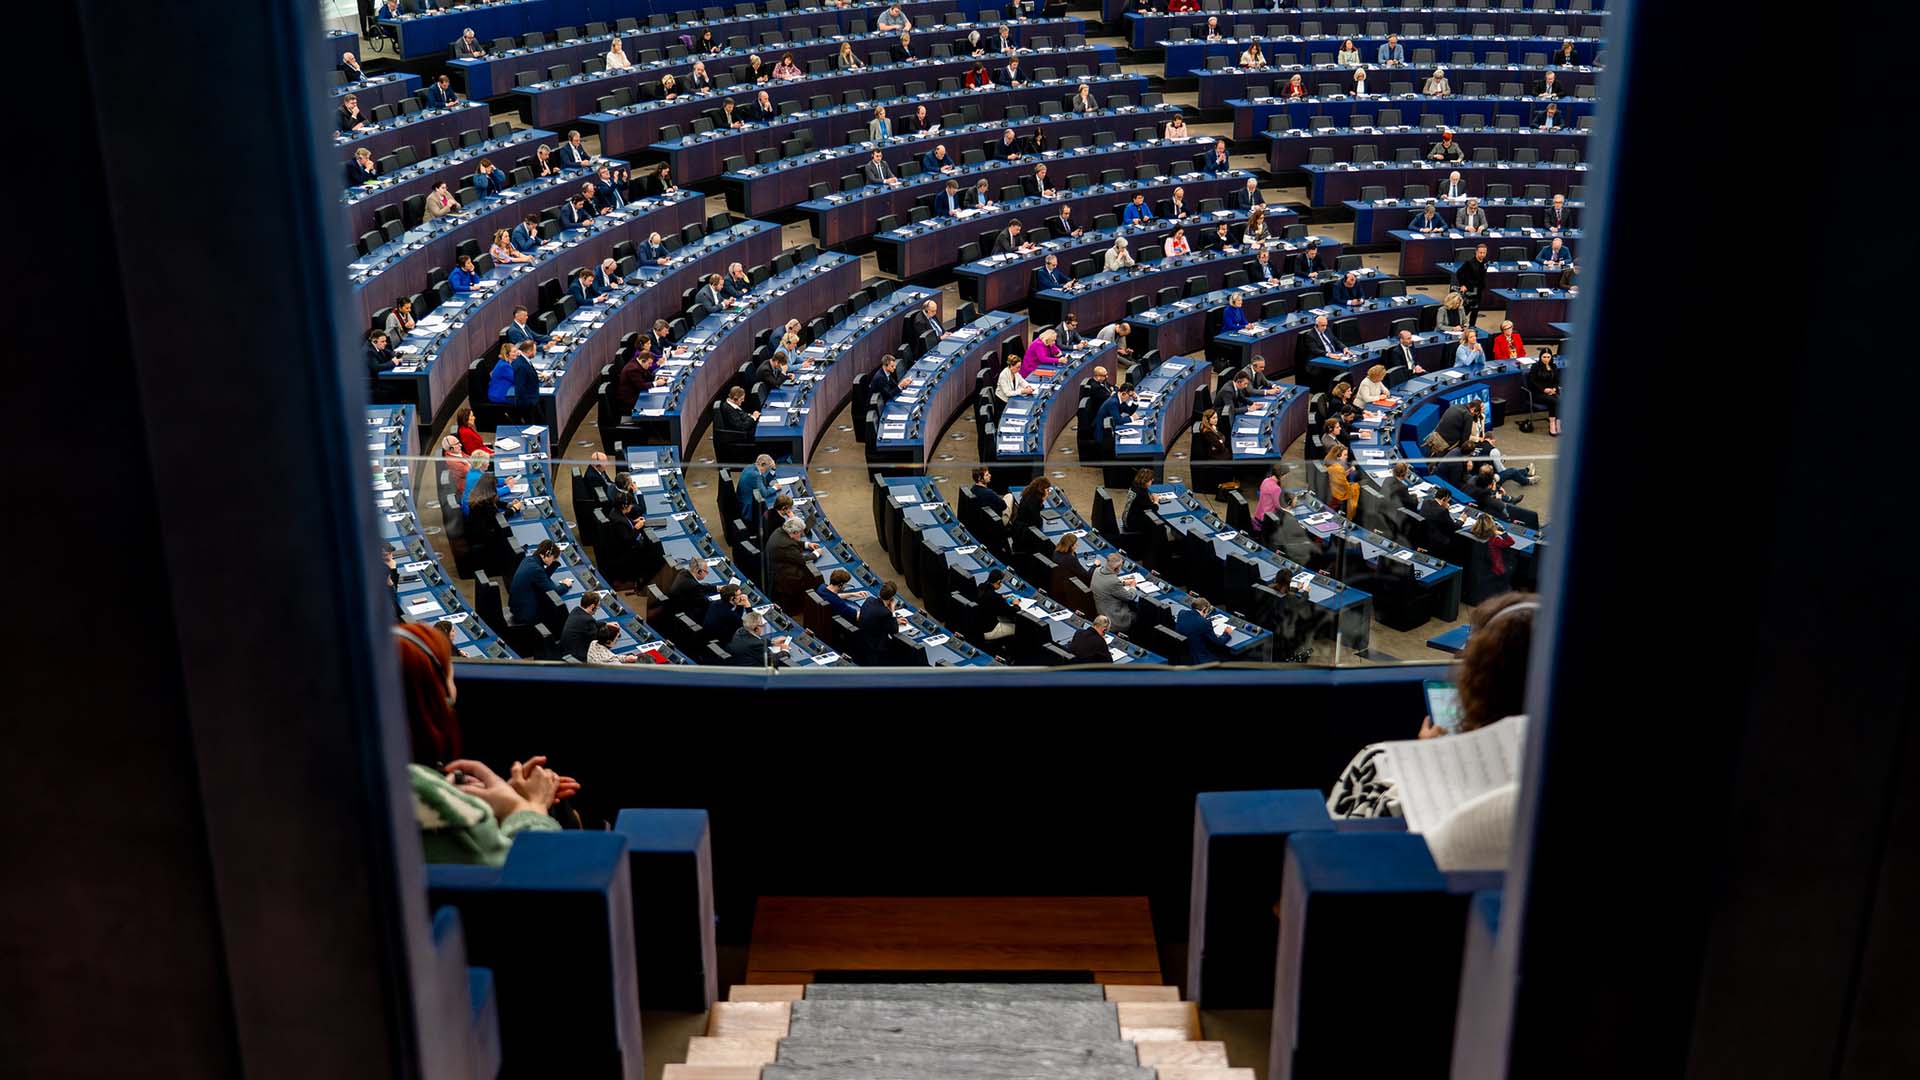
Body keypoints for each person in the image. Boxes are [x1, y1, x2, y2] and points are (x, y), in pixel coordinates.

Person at [767, 516, 819, 613]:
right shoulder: (786, 544)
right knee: (811, 576)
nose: (802, 535)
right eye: (800, 533)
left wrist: (806, 544)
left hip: (776, 568)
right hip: (784, 576)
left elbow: (793, 541)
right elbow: (802, 560)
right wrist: (816, 554)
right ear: (794, 532)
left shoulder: (780, 531)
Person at [1174, 594, 1234, 663]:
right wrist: (1226, 633)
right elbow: (1219, 642)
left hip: (1183, 653)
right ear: (1204, 609)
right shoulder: (1204, 623)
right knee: (1225, 656)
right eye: (1207, 612)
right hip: (1199, 657)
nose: (1207, 615)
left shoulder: (1182, 613)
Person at [1089, 553, 1138, 632]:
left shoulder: (1097, 570)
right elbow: (1129, 597)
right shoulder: (1113, 581)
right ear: (1117, 568)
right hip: (1114, 620)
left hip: (1101, 611)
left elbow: (1106, 584)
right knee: (1139, 614)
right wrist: (1133, 586)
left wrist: (1123, 583)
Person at [855, 582, 903, 664]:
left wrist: (894, 620)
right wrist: (892, 611)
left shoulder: (869, 600)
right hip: (876, 647)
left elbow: (877, 620)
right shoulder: (886, 613)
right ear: (892, 598)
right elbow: (894, 631)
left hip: (862, 640)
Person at [726, 609, 790, 666]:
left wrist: (772, 642)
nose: (764, 626)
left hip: (739, 661)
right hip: (755, 672)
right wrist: (785, 650)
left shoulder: (741, 631)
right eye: (762, 625)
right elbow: (772, 661)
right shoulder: (757, 644)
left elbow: (755, 641)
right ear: (756, 629)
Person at [559, 590, 608, 661]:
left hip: (565, 652)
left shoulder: (576, 610)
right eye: (598, 606)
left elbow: (589, 625)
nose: (597, 609)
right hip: (577, 657)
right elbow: (597, 641)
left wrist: (605, 623)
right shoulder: (588, 620)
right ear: (592, 606)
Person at [1528, 350, 1562, 436]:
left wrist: (1554, 389)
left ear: (1551, 357)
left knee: (1557, 400)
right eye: (1544, 357)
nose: (1546, 359)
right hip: (1539, 393)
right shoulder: (1535, 366)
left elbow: (1557, 381)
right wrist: (1544, 389)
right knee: (1556, 401)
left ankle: (1557, 424)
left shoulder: (1553, 366)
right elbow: (1532, 382)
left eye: (1548, 357)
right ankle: (1552, 424)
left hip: (1552, 391)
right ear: (1540, 357)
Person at [1455, 242, 1489, 325]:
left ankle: (1472, 326)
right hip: (1470, 288)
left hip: (1479, 289)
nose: (1482, 254)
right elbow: (1459, 273)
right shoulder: (1469, 263)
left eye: (1484, 253)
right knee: (1467, 308)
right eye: (1480, 252)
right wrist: (1462, 285)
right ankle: (1458, 324)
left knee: (1476, 309)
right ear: (1476, 252)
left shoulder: (1485, 262)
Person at [1326, 443, 1359, 519]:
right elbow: (1344, 486)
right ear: (1338, 456)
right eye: (1345, 455)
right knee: (1357, 486)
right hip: (1338, 494)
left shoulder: (1332, 463)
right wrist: (1355, 486)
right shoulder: (1338, 468)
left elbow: (1341, 476)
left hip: (1333, 490)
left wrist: (1348, 471)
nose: (1347, 457)